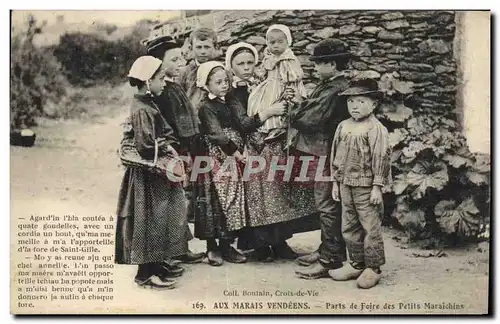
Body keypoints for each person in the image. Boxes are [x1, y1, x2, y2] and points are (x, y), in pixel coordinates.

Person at [225, 42, 319, 263]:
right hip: (249, 148)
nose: (246, 68)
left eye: (250, 62)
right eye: (240, 64)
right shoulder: (232, 92)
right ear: (231, 66)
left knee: (276, 194)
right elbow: (242, 123)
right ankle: (258, 245)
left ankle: (279, 241)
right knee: (256, 198)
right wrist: (268, 113)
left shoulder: (264, 83)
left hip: (271, 144)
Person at [194, 61, 285, 266]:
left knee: (233, 199)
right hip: (215, 157)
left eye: (226, 81)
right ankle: (212, 247)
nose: (224, 85)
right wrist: (235, 152)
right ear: (206, 84)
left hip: (235, 154)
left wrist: (264, 115)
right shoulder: (205, 107)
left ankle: (227, 245)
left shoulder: (231, 101)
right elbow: (216, 134)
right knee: (214, 199)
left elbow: (244, 123)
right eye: (218, 82)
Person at [115, 56, 187, 289]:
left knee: (159, 218)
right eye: (159, 79)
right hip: (148, 174)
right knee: (149, 220)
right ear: (147, 81)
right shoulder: (142, 109)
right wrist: (166, 145)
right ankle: (145, 273)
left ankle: (156, 264)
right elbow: (146, 146)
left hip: (155, 174)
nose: (164, 83)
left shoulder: (148, 103)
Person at [291, 39, 351, 279]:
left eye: (319, 63)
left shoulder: (334, 89)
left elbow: (308, 118)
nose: (314, 68)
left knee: (327, 205)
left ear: (333, 65)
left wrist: (296, 109)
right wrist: (303, 106)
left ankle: (331, 259)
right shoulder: (329, 84)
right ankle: (327, 249)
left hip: (327, 153)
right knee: (326, 203)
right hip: (324, 150)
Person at [145, 35, 206, 265]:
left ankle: (180, 248)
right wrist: (180, 152)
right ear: (158, 64)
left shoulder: (173, 86)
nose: (180, 62)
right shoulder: (161, 93)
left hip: (183, 151)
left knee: (178, 200)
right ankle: (167, 252)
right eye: (173, 59)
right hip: (172, 153)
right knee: (168, 202)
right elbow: (168, 126)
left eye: (181, 57)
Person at [328, 78, 392, 289]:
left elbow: (381, 158)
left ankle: (373, 267)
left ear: (374, 104)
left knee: (370, 225)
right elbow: (334, 155)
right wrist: (336, 183)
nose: (355, 106)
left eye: (361, 101)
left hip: (366, 185)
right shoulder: (343, 126)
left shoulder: (375, 129)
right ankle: (356, 263)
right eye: (351, 101)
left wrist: (377, 186)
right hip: (345, 183)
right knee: (349, 224)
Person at [247, 24, 307, 142]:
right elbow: (262, 72)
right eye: (272, 42)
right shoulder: (268, 58)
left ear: (287, 42)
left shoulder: (287, 58)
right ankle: (266, 129)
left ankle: (279, 128)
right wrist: (256, 82)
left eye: (280, 42)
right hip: (269, 86)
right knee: (262, 104)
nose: (276, 45)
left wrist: (289, 85)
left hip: (284, 85)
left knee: (283, 105)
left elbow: (294, 75)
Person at [177, 28, 219, 118]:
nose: (203, 52)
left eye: (207, 47)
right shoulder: (183, 72)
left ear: (215, 47)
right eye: (199, 47)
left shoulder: (222, 70)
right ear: (191, 48)